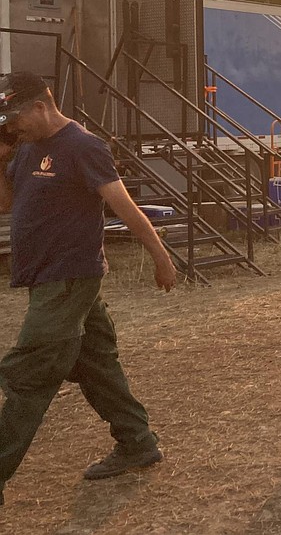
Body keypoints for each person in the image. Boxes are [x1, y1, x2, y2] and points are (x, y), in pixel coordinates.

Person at [0, 72, 178, 505]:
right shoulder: (27, 151)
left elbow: (124, 206)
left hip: (69, 277)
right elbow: (9, 203)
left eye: (16, 115)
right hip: (44, 277)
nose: (12, 124)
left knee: (29, 374)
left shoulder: (83, 146)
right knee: (96, 363)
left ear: (42, 105)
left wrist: (160, 256)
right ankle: (137, 442)